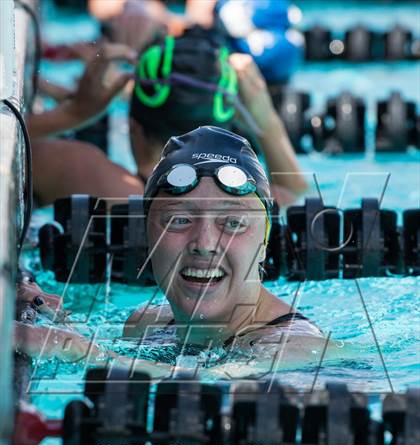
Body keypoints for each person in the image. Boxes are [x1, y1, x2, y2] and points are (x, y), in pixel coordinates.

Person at [16, 127, 349, 380]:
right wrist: (49, 312)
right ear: (148, 236)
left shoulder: (299, 348)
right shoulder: (146, 323)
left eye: (232, 222)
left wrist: (77, 351)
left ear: (264, 242)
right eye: (179, 219)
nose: (204, 243)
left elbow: (209, 382)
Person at [32, 28, 307, 207]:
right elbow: (299, 198)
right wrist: (267, 121)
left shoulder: (82, 172)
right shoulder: (254, 206)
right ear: (228, 134)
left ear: (133, 127)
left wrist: (73, 113)